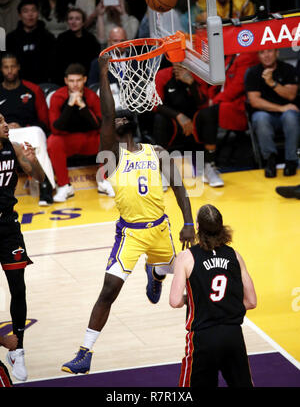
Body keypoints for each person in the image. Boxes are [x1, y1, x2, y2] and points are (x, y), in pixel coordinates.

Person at [60, 54, 195, 374]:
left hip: (161, 229)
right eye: (115, 120)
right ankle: (84, 353)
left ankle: (160, 276)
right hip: (131, 234)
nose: (118, 119)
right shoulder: (113, 155)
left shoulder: (157, 152)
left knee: (190, 287)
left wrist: (188, 223)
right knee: (108, 291)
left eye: (123, 117)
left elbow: (179, 188)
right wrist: (104, 74)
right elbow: (106, 114)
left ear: (133, 122)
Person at [170, 204, 257, 387]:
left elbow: (175, 301)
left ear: (198, 227)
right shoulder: (234, 255)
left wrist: (194, 299)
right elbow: (251, 301)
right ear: (221, 226)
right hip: (233, 335)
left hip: (203, 339)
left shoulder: (186, 257)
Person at [0, 112, 45, 382]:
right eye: (1, 122)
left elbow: (37, 177)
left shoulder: (13, 148)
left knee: (18, 287)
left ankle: (19, 349)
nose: (6, 125)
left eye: (5, 120)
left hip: (9, 227)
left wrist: (33, 160)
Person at [48, 62, 114, 202]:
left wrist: (83, 107)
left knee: (106, 136)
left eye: (78, 80)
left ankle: (104, 180)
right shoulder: (57, 97)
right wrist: (71, 105)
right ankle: (64, 186)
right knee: (53, 141)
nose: (75, 84)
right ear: (66, 81)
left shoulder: (91, 97)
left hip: (89, 140)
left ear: (84, 79)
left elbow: (98, 125)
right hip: (67, 141)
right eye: (71, 81)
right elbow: (55, 128)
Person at [154, 62, 225, 187]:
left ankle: (209, 166)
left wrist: (191, 84)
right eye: (176, 62)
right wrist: (178, 116)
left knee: (209, 113)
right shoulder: (162, 75)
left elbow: (203, 103)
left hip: (195, 124)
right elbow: (155, 105)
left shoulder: (199, 75)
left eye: (182, 63)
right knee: (159, 118)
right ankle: (163, 170)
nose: (179, 66)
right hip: (174, 122)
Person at [0, 52, 55, 205]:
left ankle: (46, 186)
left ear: (18, 67)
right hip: (4, 135)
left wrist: (23, 126)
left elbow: (44, 123)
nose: (10, 70)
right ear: (1, 69)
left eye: (12, 67)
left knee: (36, 134)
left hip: (28, 132)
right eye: (6, 67)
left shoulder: (33, 90)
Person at [245, 48, 300, 178]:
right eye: (262, 52)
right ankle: (270, 160)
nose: (266, 56)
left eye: (269, 51)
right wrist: (281, 108)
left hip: (287, 115)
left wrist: (272, 83)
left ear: (277, 53)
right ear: (257, 55)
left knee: (291, 115)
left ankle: (291, 160)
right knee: (260, 118)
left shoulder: (288, 69)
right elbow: (254, 101)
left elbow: (291, 95)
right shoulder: (253, 72)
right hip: (266, 114)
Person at [5, 0, 56, 84]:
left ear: (38, 13)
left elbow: (53, 65)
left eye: (33, 11)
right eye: (26, 11)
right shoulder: (11, 38)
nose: (30, 14)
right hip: (16, 84)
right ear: (20, 15)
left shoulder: (48, 38)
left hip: (42, 84)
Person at [54, 7, 101, 86]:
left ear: (83, 22)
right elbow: (57, 64)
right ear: (67, 21)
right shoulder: (61, 38)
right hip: (65, 81)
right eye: (71, 19)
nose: (73, 22)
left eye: (77, 19)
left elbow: (94, 63)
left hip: (86, 80)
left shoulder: (91, 39)